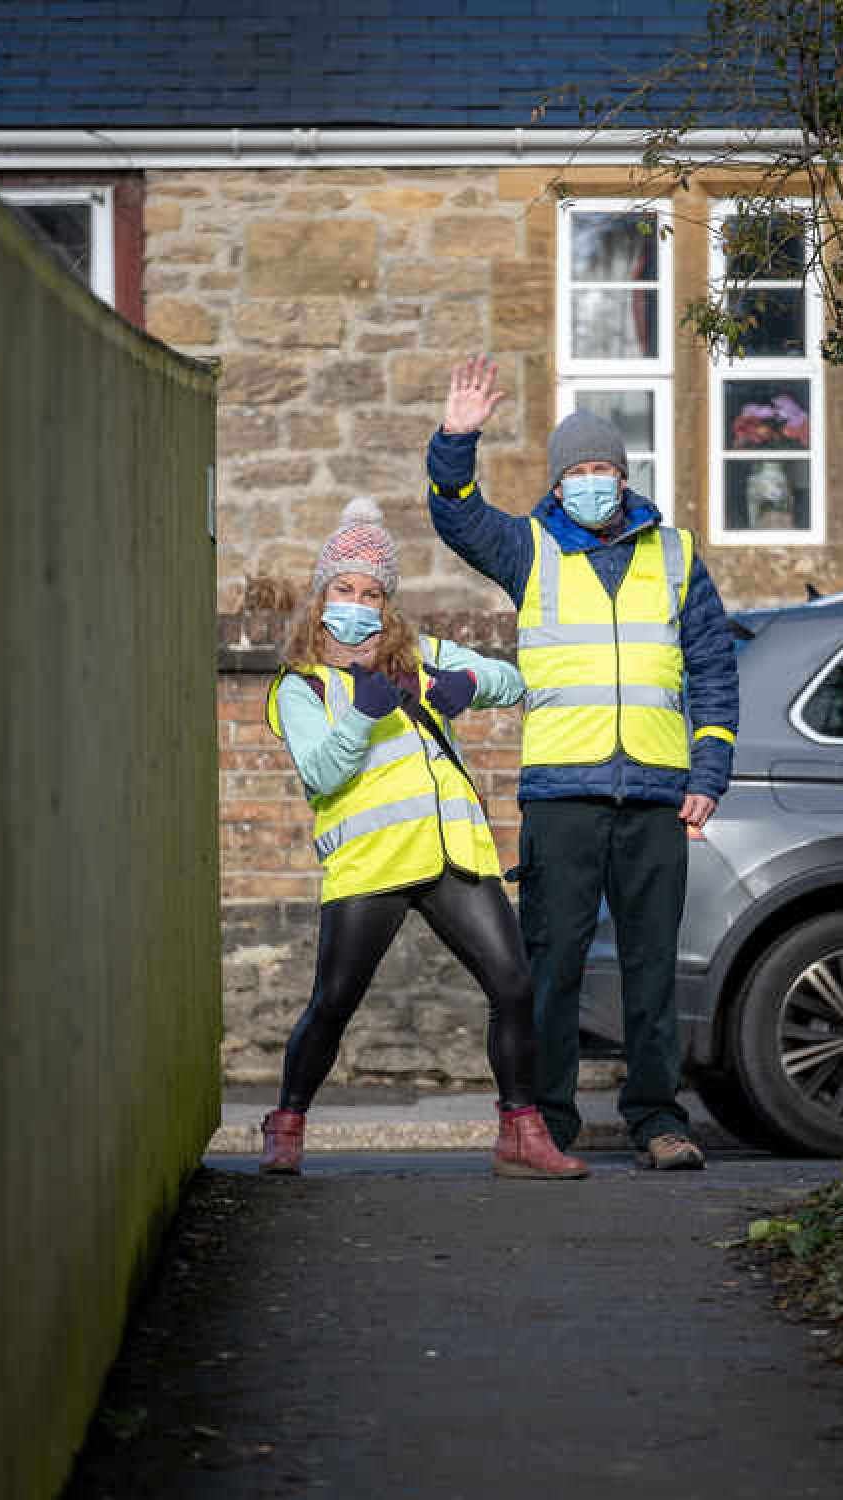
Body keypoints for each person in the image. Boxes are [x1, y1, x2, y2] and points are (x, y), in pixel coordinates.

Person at [426, 357, 740, 1170]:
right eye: (579, 472)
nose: (593, 482)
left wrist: (708, 774)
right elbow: (457, 518)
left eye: (605, 469)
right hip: (563, 794)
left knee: (651, 970)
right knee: (552, 965)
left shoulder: (673, 554)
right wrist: (456, 441)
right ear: (559, 485)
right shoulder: (528, 549)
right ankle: (549, 1125)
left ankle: (659, 1120)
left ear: (625, 478)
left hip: (656, 795)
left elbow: (711, 666)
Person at [259, 495, 589, 1180]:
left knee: (514, 987)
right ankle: (287, 1120)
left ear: (388, 604)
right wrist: (360, 717)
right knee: (333, 1003)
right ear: (323, 594)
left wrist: (468, 681)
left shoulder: (420, 654)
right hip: (371, 865)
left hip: (452, 855)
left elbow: (512, 680)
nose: (358, 602)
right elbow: (322, 772)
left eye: (372, 593)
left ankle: (520, 1134)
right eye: (345, 588)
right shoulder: (302, 686)